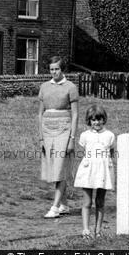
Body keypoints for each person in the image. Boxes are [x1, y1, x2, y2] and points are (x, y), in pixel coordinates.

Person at [38, 56, 79, 218]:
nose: (54, 72)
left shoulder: (71, 87)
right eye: (52, 69)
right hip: (47, 130)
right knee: (53, 166)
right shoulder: (44, 87)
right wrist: (41, 137)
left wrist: (72, 138)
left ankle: (54, 207)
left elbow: (75, 115)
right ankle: (64, 205)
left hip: (64, 129)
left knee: (60, 165)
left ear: (63, 70)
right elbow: (39, 114)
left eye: (57, 69)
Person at [74, 104, 116, 238]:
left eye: (99, 119)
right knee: (87, 202)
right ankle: (86, 230)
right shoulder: (85, 135)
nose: (97, 122)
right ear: (89, 121)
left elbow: (112, 152)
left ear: (104, 119)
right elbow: (83, 153)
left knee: (100, 201)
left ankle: (98, 230)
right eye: (93, 120)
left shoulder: (109, 135)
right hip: (88, 170)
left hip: (103, 171)